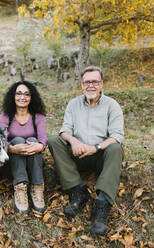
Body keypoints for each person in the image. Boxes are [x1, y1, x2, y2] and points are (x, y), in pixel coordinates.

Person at [48, 66, 124, 235]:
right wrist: (74, 141)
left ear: (101, 84)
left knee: (116, 148)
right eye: (87, 82)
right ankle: (78, 191)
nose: (91, 85)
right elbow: (64, 130)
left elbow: (117, 135)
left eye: (95, 82)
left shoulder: (112, 105)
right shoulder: (73, 104)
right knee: (54, 140)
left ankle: (102, 206)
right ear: (82, 85)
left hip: (100, 157)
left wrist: (96, 147)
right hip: (78, 154)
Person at [0, 81, 47, 214]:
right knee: (18, 140)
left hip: (33, 160)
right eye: (18, 93)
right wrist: (13, 148)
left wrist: (39, 147)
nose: (22, 97)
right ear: (13, 96)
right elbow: (0, 141)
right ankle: (20, 188)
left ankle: (37, 187)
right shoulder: (5, 116)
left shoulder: (38, 116)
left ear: (32, 97)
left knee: (33, 140)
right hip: (12, 161)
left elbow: (43, 140)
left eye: (26, 94)